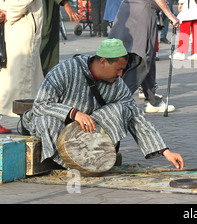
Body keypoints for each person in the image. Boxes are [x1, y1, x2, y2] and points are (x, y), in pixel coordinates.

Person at [22, 38, 184, 170]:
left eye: (123, 70)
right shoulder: (65, 70)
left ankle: (88, 159)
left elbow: (137, 116)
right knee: (46, 121)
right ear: (103, 62)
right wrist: (74, 113)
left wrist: (165, 151)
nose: (120, 75)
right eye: (118, 69)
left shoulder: (117, 84)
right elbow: (40, 105)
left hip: (84, 131)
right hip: (56, 123)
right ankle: (61, 162)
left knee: (123, 108)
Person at [108, 0, 179, 114]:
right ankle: (118, 99)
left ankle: (152, 99)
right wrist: (169, 14)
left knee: (141, 55)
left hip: (127, 8)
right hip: (142, 9)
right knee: (142, 58)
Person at [0, 0, 44, 134]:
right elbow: (25, 0)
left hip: (9, 29)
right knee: (25, 80)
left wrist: (4, 12)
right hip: (23, 28)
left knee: (10, 76)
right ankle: (26, 127)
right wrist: (10, 14)